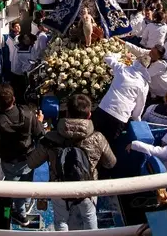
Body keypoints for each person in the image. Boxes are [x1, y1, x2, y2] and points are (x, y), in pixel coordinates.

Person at [28, 94, 117, 231]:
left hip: (59, 188)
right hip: (87, 187)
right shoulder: (98, 138)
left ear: (67, 113)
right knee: (89, 216)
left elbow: (32, 163)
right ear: (89, 115)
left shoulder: (50, 138)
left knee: (61, 220)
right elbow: (111, 163)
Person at [0, 84, 44, 226]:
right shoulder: (28, 113)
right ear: (13, 98)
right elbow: (41, 134)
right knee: (26, 183)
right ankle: (26, 204)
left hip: (10, 163)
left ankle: (21, 214)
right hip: (30, 158)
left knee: (15, 189)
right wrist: (38, 120)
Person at [93, 52, 151, 141]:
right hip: (120, 117)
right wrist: (136, 120)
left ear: (136, 61)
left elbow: (108, 57)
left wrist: (121, 54)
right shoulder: (144, 84)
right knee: (106, 145)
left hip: (104, 108)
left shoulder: (122, 68)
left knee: (91, 136)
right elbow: (139, 107)